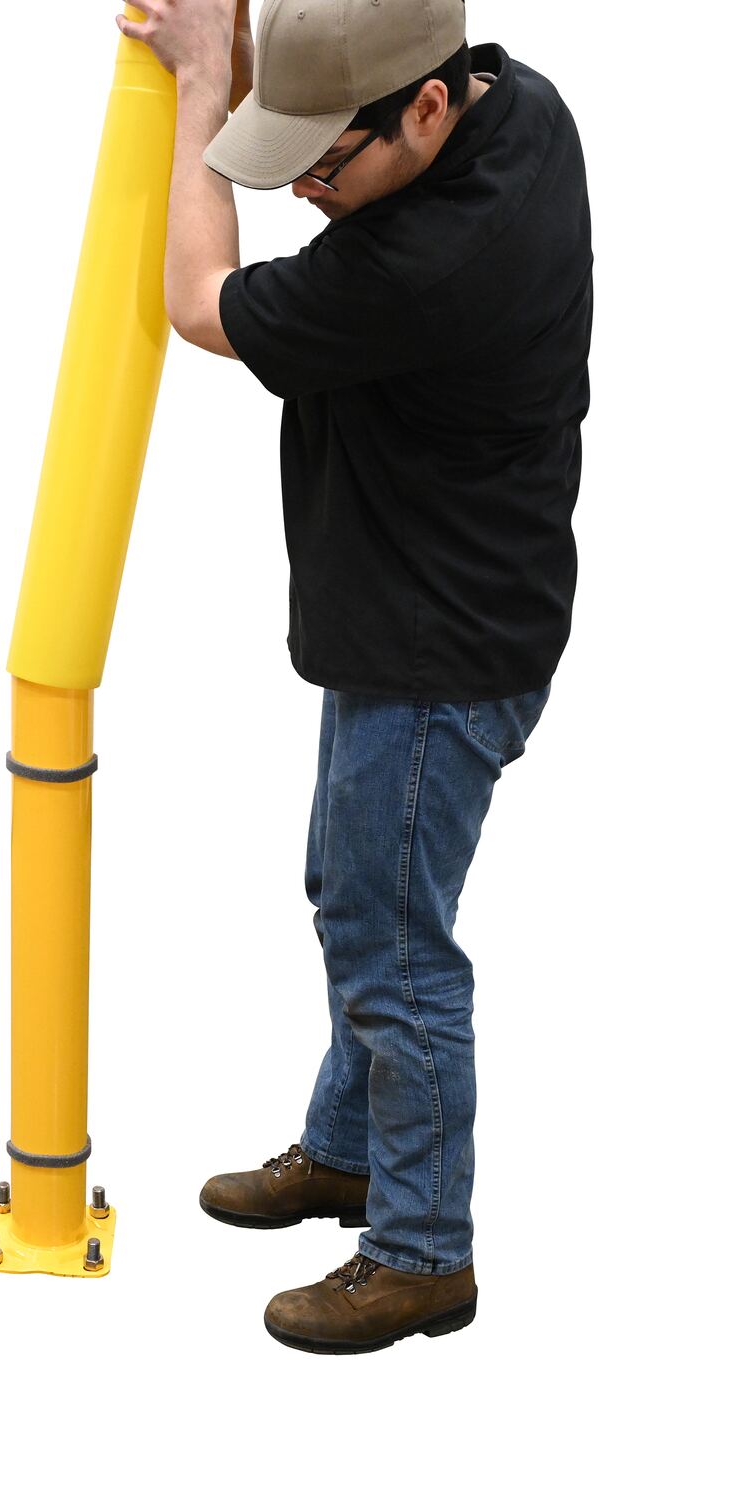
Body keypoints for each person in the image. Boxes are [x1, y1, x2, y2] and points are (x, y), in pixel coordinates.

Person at [116, 0, 593, 1354]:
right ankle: (348, 1151)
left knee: (393, 944)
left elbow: (198, 303)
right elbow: (347, 86)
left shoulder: (422, 268)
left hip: (439, 650)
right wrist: (261, 69)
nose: (302, 193)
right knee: (355, 894)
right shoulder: (518, 107)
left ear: (425, 111)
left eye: (321, 163)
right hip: (427, 604)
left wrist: (203, 98)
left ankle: (422, 1253)